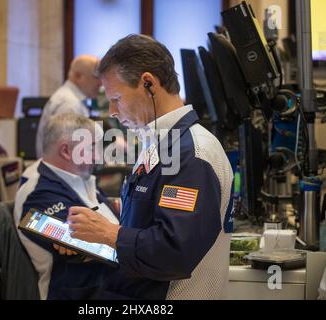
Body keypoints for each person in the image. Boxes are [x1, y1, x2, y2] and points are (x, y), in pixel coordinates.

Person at [67, 34, 234, 299]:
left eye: (117, 98)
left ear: (148, 84)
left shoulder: (192, 154)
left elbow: (173, 252)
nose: (112, 110)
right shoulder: (158, 142)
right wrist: (95, 233)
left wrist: (109, 233)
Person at [15, 112, 119, 300]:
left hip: (105, 284)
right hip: (80, 292)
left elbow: (110, 228)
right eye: (91, 148)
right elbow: (102, 250)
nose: (97, 156)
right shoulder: (39, 193)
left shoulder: (79, 178)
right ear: (66, 151)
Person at [35, 55, 102, 158]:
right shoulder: (70, 104)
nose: (100, 83)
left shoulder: (72, 100)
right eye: (96, 77)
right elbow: (66, 155)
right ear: (78, 76)